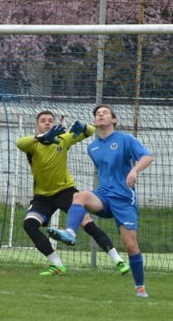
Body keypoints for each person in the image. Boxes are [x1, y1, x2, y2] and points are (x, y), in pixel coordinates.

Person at [47, 104, 153, 298]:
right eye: (97, 114)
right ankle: (70, 232)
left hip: (123, 199)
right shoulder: (92, 147)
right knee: (79, 196)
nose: (100, 115)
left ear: (114, 120)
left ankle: (140, 287)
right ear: (95, 122)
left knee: (130, 245)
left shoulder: (125, 139)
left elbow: (147, 156)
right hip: (104, 196)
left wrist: (134, 170)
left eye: (105, 113)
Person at [16, 110, 129, 277]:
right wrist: (40, 138)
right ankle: (56, 264)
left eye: (50, 121)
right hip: (43, 197)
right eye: (42, 121)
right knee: (29, 225)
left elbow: (90, 131)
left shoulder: (63, 139)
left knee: (88, 224)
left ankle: (118, 260)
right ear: (37, 125)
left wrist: (83, 127)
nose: (47, 123)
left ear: (54, 124)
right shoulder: (32, 144)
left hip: (66, 192)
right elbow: (20, 143)